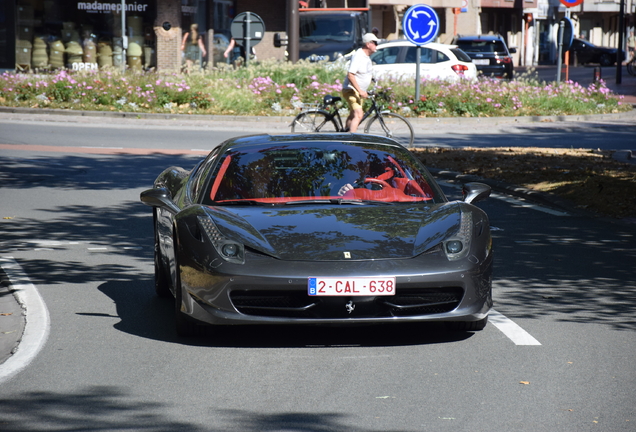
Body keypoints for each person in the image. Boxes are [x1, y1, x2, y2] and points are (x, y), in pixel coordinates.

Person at [341, 33, 379, 133]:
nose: (376, 45)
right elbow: (350, 75)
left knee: (353, 115)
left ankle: (344, 134)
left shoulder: (366, 57)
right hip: (351, 91)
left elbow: (364, 72)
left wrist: (373, 79)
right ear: (368, 44)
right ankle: (351, 141)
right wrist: (360, 91)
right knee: (359, 115)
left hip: (358, 92)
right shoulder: (358, 56)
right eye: (375, 43)